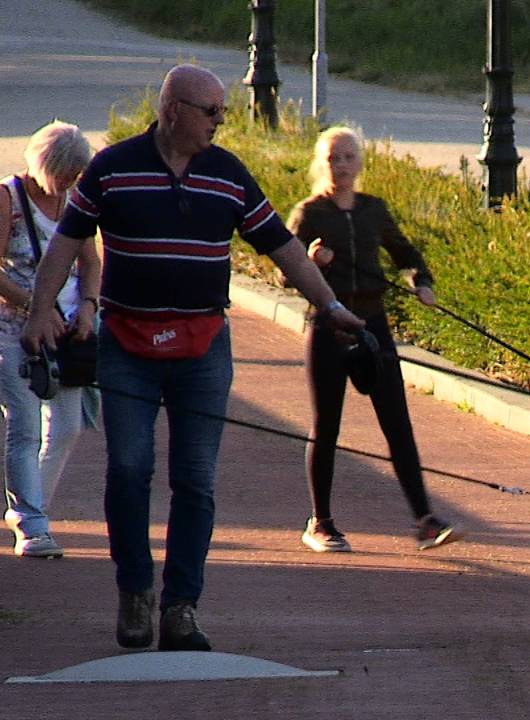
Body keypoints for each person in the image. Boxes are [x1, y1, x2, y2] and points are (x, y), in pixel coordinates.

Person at [22, 64, 364, 652]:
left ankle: (181, 606)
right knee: (129, 470)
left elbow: (281, 246)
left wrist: (330, 307)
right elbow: (67, 241)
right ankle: (135, 592)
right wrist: (37, 313)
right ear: (174, 109)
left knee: (196, 481)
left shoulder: (228, 174)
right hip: (127, 345)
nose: (221, 121)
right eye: (212, 111)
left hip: (204, 348)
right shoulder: (111, 169)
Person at [287, 126, 459, 553]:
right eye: (332, 158)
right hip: (328, 325)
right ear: (321, 164)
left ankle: (424, 519)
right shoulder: (309, 214)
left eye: (348, 157)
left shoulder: (373, 210)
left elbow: (407, 255)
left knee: (397, 423)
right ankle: (321, 522)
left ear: (360, 163)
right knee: (326, 425)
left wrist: (422, 282)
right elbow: (284, 268)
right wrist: (310, 262)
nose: (341, 165)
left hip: (372, 323)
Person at [0, 121, 100, 558]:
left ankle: (36, 507)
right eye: (65, 172)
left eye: (77, 174)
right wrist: (32, 306)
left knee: (67, 426)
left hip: (66, 331)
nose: (70, 182)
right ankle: (30, 522)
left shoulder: (74, 201)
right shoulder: (8, 199)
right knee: (23, 426)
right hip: (13, 331)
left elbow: (90, 262)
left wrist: (89, 307)